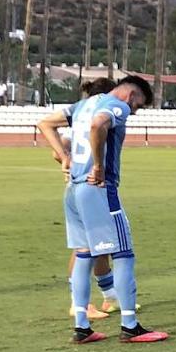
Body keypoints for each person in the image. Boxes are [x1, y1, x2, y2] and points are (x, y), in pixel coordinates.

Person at [37, 75, 168, 344]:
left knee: (84, 255)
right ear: (131, 95)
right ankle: (130, 326)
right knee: (123, 253)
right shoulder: (116, 105)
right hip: (99, 190)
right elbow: (99, 124)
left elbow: (45, 123)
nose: (134, 112)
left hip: (73, 189)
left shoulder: (83, 105)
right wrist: (98, 165)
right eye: (138, 106)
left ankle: (82, 327)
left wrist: (64, 158)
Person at [59, 77, 120, 321]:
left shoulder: (81, 112)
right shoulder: (93, 113)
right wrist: (82, 164)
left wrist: (65, 159)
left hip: (81, 183)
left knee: (98, 245)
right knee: (84, 247)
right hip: (90, 185)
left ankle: (111, 296)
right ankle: (78, 302)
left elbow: (61, 143)